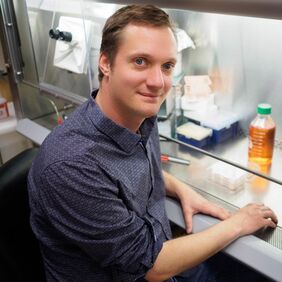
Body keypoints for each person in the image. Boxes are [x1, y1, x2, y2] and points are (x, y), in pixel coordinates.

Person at [28, 4, 278, 282]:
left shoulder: (139, 116)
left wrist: (179, 187)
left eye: (167, 66)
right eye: (140, 61)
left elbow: (131, 169)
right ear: (106, 63)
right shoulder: (70, 165)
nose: (158, 82)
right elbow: (152, 265)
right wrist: (238, 223)